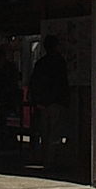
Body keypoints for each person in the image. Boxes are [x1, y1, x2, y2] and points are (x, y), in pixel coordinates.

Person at [28, 35, 69, 165]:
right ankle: (53, 161)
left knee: (44, 133)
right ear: (56, 46)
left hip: (42, 104)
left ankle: (44, 159)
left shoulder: (40, 63)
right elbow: (63, 83)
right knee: (55, 134)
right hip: (56, 103)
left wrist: (37, 101)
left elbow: (33, 83)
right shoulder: (60, 62)